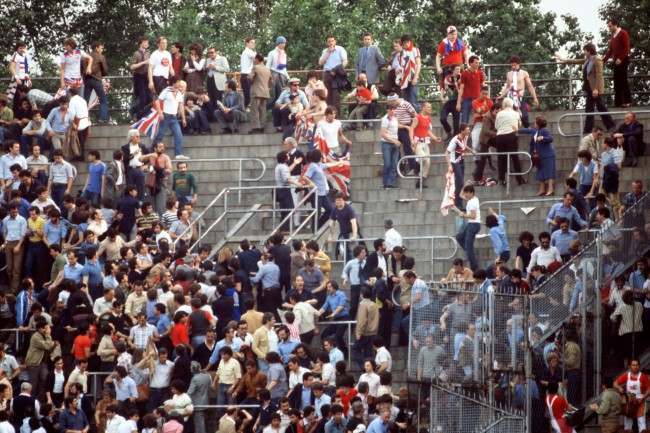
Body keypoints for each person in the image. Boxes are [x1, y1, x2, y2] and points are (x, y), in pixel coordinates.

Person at [555, 43, 615, 133]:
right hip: (589, 87)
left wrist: (596, 89)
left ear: (589, 51)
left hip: (594, 88)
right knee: (590, 108)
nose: (584, 52)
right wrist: (563, 60)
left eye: (585, 51)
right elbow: (575, 61)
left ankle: (610, 126)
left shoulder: (597, 59)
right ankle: (589, 129)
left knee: (600, 107)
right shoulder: (588, 60)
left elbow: (599, 75)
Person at [499, 56, 539, 127]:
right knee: (511, 115)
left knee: (524, 115)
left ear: (519, 64)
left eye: (514, 65)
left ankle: (527, 127)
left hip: (520, 95)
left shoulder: (524, 73)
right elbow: (507, 87)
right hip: (511, 96)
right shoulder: (509, 74)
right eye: (512, 65)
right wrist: (501, 96)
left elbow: (530, 86)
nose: (513, 66)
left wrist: (535, 98)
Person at [520, 116, 556, 196]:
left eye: (535, 122)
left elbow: (550, 138)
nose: (534, 124)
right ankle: (542, 189)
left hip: (548, 155)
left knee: (549, 172)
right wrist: (516, 130)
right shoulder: (535, 131)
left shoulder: (544, 130)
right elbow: (526, 130)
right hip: (539, 156)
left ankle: (550, 189)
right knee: (540, 172)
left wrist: (543, 138)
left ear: (539, 124)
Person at [153, 79, 188, 159]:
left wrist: (183, 118)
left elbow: (181, 106)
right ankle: (152, 151)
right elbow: (157, 101)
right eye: (179, 84)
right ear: (174, 83)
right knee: (160, 135)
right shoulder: (167, 90)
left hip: (174, 117)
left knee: (178, 134)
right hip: (165, 116)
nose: (180, 86)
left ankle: (178, 154)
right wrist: (160, 112)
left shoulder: (179, 93)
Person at [410, 102, 442, 189]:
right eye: (428, 107)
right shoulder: (417, 117)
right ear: (423, 108)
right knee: (423, 158)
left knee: (427, 162)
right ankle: (415, 166)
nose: (430, 109)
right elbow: (411, 128)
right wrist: (412, 140)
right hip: (418, 142)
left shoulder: (428, 118)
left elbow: (427, 130)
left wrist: (435, 138)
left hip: (425, 142)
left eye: (430, 107)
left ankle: (421, 181)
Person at [494, 97, 524, 187]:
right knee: (515, 157)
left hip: (500, 137)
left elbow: (496, 126)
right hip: (511, 136)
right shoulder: (516, 113)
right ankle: (519, 179)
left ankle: (502, 179)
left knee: (501, 158)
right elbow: (518, 125)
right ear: (511, 104)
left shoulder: (499, 114)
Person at [614, 359, 649, 433]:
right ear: (630, 366)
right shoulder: (627, 375)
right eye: (633, 365)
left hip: (640, 402)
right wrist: (619, 388)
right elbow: (615, 383)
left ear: (639, 366)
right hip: (629, 402)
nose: (635, 367)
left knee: (642, 423)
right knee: (628, 425)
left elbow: (649, 389)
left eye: (637, 365)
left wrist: (644, 397)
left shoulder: (643, 376)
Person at [603, 18, 631, 107]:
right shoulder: (613, 36)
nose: (609, 28)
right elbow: (610, 50)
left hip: (623, 60)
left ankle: (627, 101)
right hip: (616, 61)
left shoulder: (623, 33)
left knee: (623, 80)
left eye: (610, 26)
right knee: (616, 81)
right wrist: (604, 60)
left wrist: (621, 58)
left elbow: (627, 48)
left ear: (615, 25)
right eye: (608, 26)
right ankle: (618, 102)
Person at [452, 185, 481, 271]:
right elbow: (460, 195)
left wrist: (463, 215)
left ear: (471, 193)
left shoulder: (472, 202)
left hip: (473, 225)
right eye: (465, 193)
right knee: (459, 237)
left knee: (468, 248)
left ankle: (474, 268)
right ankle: (469, 251)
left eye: (467, 193)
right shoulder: (473, 199)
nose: (465, 195)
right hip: (471, 225)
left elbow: (473, 216)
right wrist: (464, 185)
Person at [446, 124, 473, 208]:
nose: (469, 131)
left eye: (469, 130)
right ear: (462, 131)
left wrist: (472, 150)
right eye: (467, 130)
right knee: (460, 182)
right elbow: (446, 153)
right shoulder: (455, 140)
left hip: (461, 161)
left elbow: (464, 146)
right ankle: (458, 202)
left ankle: (458, 202)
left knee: (459, 183)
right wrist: (449, 165)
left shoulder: (465, 137)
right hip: (455, 163)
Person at [319, 36, 348, 113]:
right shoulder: (325, 51)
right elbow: (320, 63)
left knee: (336, 97)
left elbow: (345, 61)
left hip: (337, 74)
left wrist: (337, 69)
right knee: (327, 96)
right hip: (327, 74)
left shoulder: (340, 49)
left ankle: (337, 118)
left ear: (335, 41)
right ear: (327, 43)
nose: (331, 43)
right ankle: (328, 116)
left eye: (332, 41)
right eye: (329, 41)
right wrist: (328, 52)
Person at [2, 204, 27, 291]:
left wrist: (18, 246)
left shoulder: (22, 220)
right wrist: (5, 242)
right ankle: (10, 286)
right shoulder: (5, 220)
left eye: (16, 211)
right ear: (9, 212)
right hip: (9, 243)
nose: (15, 213)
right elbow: (4, 232)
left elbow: (23, 234)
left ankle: (14, 289)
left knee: (16, 268)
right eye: (13, 212)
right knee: (9, 268)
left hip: (18, 243)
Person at [379, 102, 402, 190]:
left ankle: (391, 183)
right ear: (387, 110)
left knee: (394, 164)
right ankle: (386, 183)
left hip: (395, 142)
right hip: (387, 143)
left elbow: (396, 126)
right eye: (391, 109)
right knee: (387, 164)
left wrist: (406, 126)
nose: (392, 111)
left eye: (393, 109)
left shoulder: (395, 118)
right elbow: (383, 134)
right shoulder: (385, 119)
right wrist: (394, 141)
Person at [457, 55, 485, 125]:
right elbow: (461, 88)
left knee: (479, 118)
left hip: (477, 99)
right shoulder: (464, 74)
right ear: (470, 63)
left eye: (478, 63)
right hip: (467, 99)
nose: (478, 64)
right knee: (464, 120)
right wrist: (458, 103)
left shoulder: (480, 73)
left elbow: (483, 86)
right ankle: (463, 135)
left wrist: (485, 99)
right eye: (476, 63)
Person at [249, 54, 272, 134]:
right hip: (265, 92)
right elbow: (271, 82)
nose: (254, 60)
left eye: (254, 59)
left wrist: (249, 77)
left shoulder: (255, 67)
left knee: (255, 110)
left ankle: (255, 128)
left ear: (257, 59)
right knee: (263, 110)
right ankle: (262, 127)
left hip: (256, 92)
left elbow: (251, 78)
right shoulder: (267, 69)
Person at [240, 37, 256, 109]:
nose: (253, 44)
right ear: (247, 43)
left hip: (246, 76)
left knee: (248, 97)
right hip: (246, 76)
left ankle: (243, 112)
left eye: (254, 42)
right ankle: (242, 112)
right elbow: (258, 59)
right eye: (252, 42)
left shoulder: (250, 52)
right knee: (248, 97)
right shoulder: (248, 51)